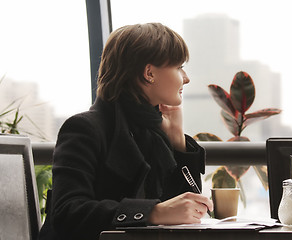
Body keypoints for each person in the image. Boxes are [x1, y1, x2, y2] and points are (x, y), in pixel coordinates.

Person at [38, 23, 213, 240]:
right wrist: (153, 212)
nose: (185, 78)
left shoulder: (154, 133)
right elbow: (68, 212)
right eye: (179, 67)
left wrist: (177, 140)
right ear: (149, 73)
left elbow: (187, 209)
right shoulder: (85, 128)